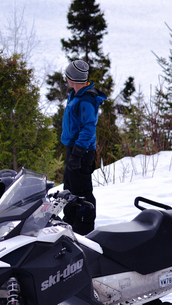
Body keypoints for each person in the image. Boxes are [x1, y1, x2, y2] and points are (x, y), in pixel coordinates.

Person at [61, 60, 107, 235]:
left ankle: (84, 226)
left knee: (82, 190)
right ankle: (70, 220)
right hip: (73, 148)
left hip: (82, 151)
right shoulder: (75, 95)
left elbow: (88, 128)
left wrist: (78, 153)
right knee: (69, 187)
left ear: (71, 79)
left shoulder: (86, 100)